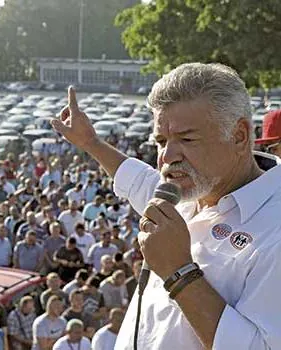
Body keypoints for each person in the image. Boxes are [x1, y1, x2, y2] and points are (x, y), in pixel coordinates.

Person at [52, 64, 281, 349]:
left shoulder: (275, 229)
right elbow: (139, 180)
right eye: (161, 141)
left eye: (186, 139)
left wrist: (179, 272)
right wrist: (92, 143)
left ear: (239, 135)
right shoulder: (188, 193)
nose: (167, 157)